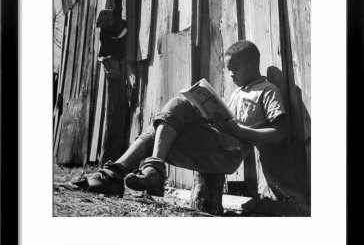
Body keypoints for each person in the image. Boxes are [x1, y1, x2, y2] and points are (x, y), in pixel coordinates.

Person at [72, 40, 287, 197]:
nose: (231, 75)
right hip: (213, 143)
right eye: (228, 70)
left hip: (229, 154)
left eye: (235, 69)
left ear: (252, 63)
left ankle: (130, 172)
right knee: (162, 128)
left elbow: (280, 133)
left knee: (178, 104)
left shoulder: (267, 91)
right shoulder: (238, 92)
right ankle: (116, 175)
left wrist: (240, 131)